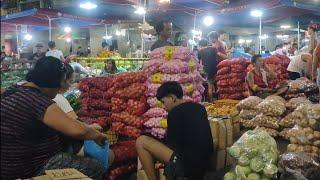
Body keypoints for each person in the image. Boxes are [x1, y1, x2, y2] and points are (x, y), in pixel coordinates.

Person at [1, 56, 111, 179]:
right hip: (30, 167)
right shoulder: (37, 101)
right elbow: (77, 130)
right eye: (62, 82)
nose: (61, 87)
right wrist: (98, 135)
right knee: (95, 166)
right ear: (51, 82)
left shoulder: (12, 91)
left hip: (9, 162)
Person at [136, 81, 213, 180]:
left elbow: (173, 146)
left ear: (172, 98)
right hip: (206, 164)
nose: (163, 107)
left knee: (141, 141)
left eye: (163, 102)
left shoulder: (174, 113)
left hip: (189, 167)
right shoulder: (200, 108)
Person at [198, 33, 219, 102]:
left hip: (207, 70)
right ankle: (216, 100)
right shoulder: (214, 49)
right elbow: (217, 58)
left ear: (200, 45)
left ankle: (210, 101)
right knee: (215, 86)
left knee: (209, 86)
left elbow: (198, 62)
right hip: (215, 69)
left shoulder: (200, 51)